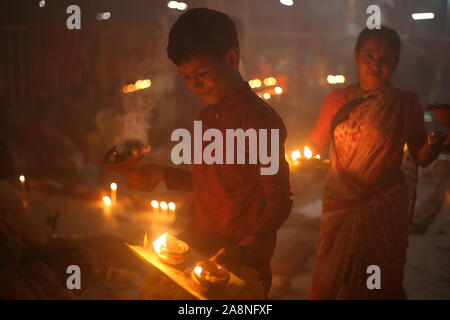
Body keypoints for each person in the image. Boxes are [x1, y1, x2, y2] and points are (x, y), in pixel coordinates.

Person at [125, 8, 293, 296]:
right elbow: (211, 182)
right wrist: (162, 175)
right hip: (197, 241)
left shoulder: (260, 123)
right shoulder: (206, 118)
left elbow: (279, 202)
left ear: (231, 59)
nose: (195, 85)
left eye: (202, 73)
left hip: (238, 256)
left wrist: (243, 249)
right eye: (186, 77)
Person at [308, 26, 446, 299]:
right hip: (341, 206)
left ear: (395, 62)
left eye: (385, 58)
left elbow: (420, 157)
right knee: (332, 277)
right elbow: (314, 146)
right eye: (369, 56)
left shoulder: (405, 104)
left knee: (379, 282)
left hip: (385, 209)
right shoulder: (338, 101)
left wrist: (433, 146)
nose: (376, 64)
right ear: (357, 56)